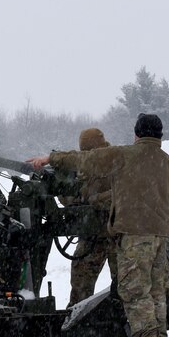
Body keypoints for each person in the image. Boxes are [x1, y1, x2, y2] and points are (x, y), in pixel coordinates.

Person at [28, 113, 169, 337]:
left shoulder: (123, 156)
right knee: (156, 289)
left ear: (136, 134)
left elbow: (86, 160)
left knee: (133, 289)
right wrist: (162, 227)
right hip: (157, 237)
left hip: (131, 236)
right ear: (160, 135)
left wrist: (51, 158)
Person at [65, 128, 117, 307]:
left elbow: (123, 193)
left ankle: (121, 321)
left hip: (116, 234)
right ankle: (77, 316)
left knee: (123, 284)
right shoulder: (83, 166)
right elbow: (71, 199)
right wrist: (66, 191)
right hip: (91, 234)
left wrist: (97, 199)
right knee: (80, 283)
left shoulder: (116, 162)